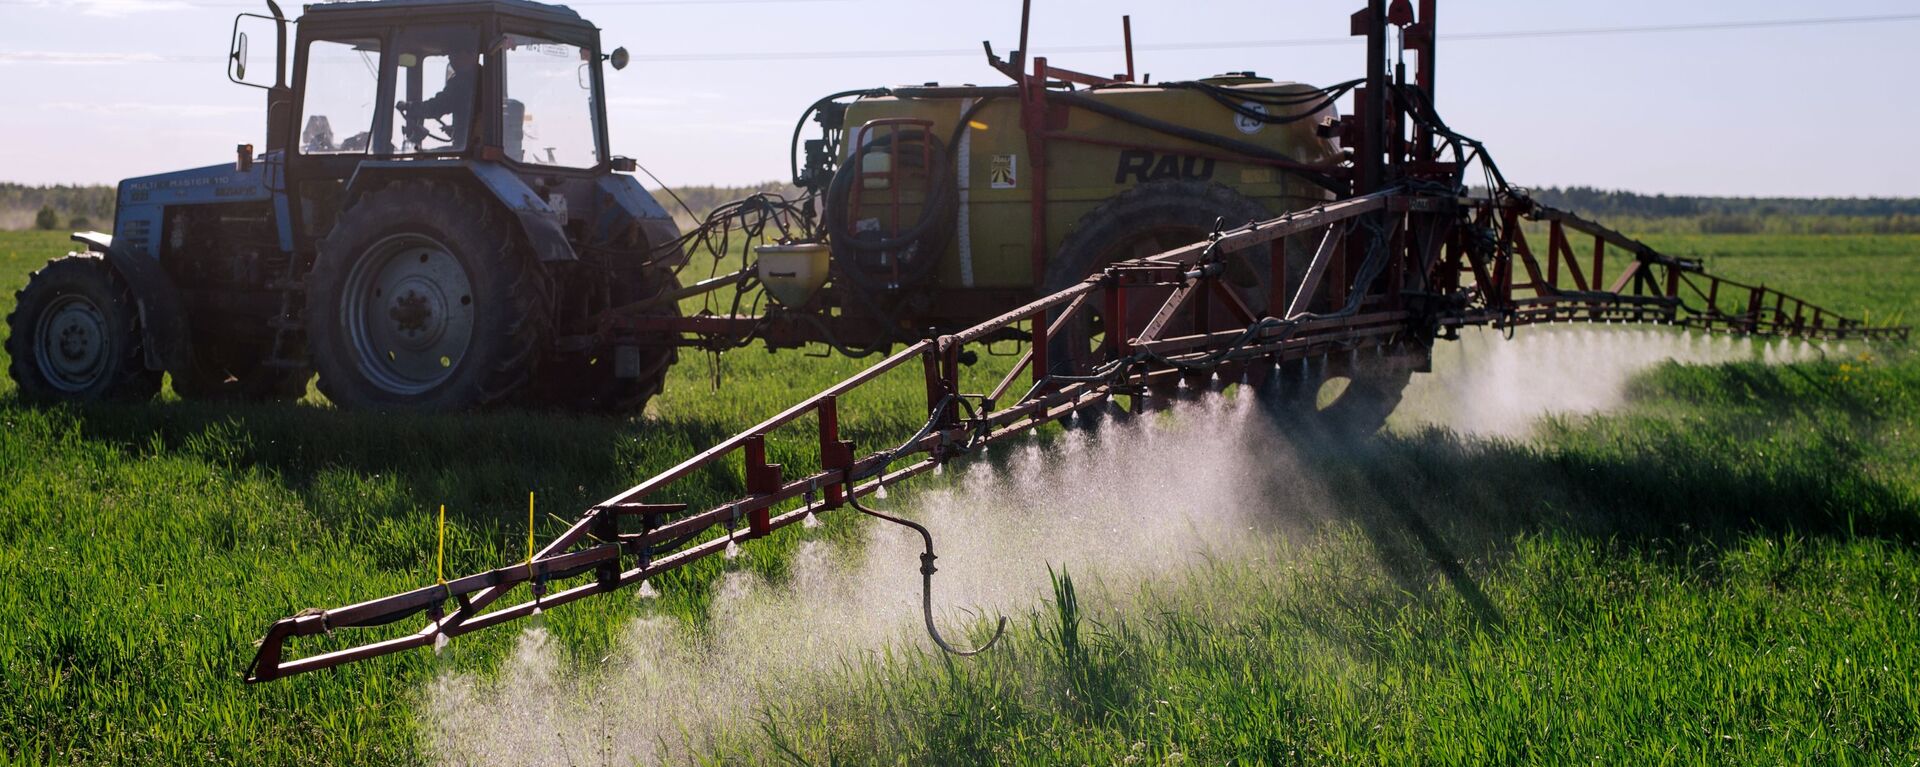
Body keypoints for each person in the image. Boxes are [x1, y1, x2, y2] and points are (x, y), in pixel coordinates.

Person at [398, 51, 478, 149]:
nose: (452, 61)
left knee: (429, 156)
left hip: (473, 149)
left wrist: (410, 107)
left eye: (455, 55)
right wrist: (457, 130)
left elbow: (438, 106)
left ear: (471, 56)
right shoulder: (482, 76)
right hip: (471, 144)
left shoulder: (464, 81)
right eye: (450, 57)